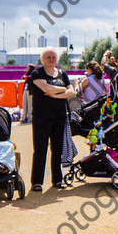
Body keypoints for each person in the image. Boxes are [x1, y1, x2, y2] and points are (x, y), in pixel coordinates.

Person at [29, 48, 75, 191]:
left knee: (57, 150)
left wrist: (56, 94)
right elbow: (47, 89)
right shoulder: (37, 73)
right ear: (43, 59)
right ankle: (37, 182)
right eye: (48, 57)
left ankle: (57, 180)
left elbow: (72, 92)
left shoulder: (63, 73)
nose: (51, 59)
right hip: (41, 118)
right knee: (40, 150)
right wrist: (62, 90)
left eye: (53, 57)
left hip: (59, 117)